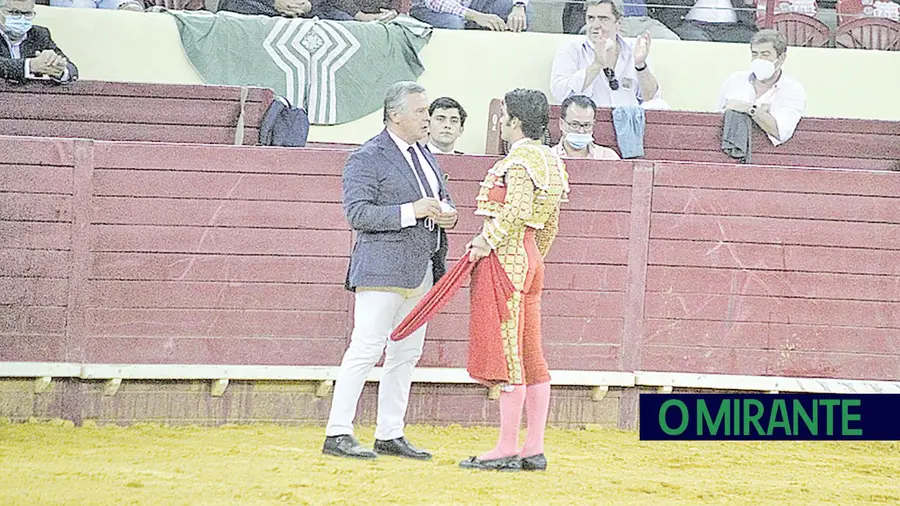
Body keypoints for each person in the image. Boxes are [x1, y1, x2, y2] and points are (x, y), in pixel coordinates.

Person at [323, 82, 458, 460]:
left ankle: (390, 431)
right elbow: (358, 214)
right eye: (420, 111)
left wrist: (448, 213)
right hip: (382, 268)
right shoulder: (368, 156)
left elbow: (440, 198)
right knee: (366, 348)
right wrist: (411, 211)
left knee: (406, 354)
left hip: (422, 266)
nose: (427, 118)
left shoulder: (425, 154)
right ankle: (337, 432)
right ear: (395, 115)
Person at [459, 89, 569, 472]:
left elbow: (517, 209)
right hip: (531, 257)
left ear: (515, 121)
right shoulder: (551, 161)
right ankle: (533, 447)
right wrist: (533, 256)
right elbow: (550, 222)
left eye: (504, 115)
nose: (500, 121)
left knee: (510, 356)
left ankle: (507, 446)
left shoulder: (520, 160)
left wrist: (485, 241)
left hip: (507, 259)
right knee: (531, 355)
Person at [550, 0, 661, 108]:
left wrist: (641, 65)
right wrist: (596, 65)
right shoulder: (571, 49)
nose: (595, 25)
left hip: (629, 122)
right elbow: (560, 94)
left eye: (603, 19)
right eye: (591, 18)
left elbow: (651, 98)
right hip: (589, 123)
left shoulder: (634, 49)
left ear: (618, 23)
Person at [718, 29, 806, 146]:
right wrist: (762, 115)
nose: (759, 59)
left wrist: (750, 109)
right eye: (755, 54)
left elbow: (780, 132)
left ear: (781, 58)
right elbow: (718, 117)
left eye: (765, 54)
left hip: (773, 156)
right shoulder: (734, 80)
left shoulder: (792, 90)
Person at [1, 0, 78, 84]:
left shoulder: (39, 34)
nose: (22, 18)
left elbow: (71, 69)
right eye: (14, 13)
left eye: (28, 13)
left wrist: (59, 69)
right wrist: (31, 66)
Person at [552, 95, 620, 159]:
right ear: (561, 124)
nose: (581, 131)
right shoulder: (550, 156)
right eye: (575, 124)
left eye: (587, 125)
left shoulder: (608, 157)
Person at [409, 0, 530, 31]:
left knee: (522, 13)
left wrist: (518, 7)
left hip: (473, 5)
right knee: (453, 23)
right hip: (428, 8)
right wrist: (476, 16)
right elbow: (435, 2)